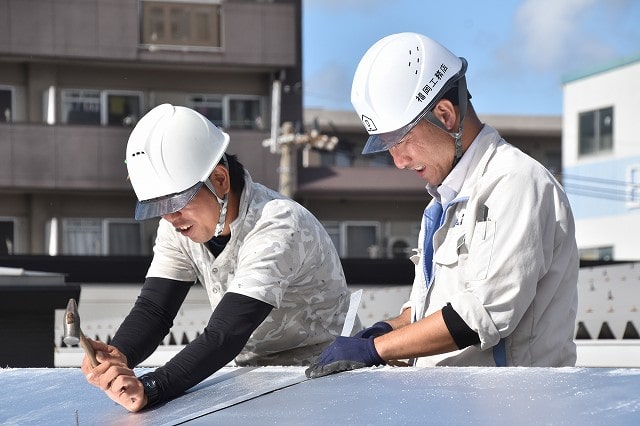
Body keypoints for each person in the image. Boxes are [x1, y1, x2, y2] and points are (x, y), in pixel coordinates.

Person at [306, 32, 579, 378]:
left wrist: (374, 350)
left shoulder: (515, 182)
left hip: (514, 407)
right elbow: (428, 308)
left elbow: (482, 314)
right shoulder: (442, 204)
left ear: (445, 114)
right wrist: (386, 330)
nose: (399, 161)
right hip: (459, 402)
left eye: (401, 141)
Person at [81, 104, 357, 411]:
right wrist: (119, 354)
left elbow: (226, 333)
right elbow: (155, 309)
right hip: (255, 379)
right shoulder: (177, 226)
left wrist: (152, 388)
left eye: (177, 201)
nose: (171, 217)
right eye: (159, 206)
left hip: (328, 378)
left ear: (220, 180)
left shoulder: (278, 224)